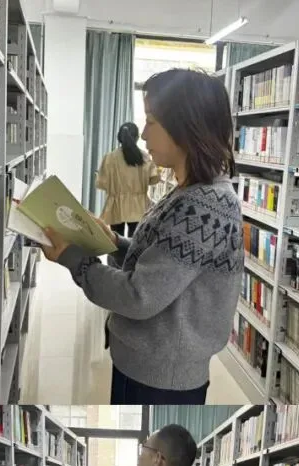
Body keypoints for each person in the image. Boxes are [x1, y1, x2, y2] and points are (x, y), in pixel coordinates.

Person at [42, 68, 244, 405]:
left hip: (162, 377)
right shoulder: (189, 192)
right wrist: (113, 242)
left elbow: (140, 296)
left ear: (185, 127)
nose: (144, 133)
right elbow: (165, 262)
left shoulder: (206, 204)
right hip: (147, 364)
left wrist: (73, 259)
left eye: (151, 121)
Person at [97, 122, 160, 238]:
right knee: (135, 240)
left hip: (116, 205)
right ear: (137, 137)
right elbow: (154, 180)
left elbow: (102, 184)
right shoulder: (145, 157)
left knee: (115, 240)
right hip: (138, 205)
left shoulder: (109, 158)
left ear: (119, 137)